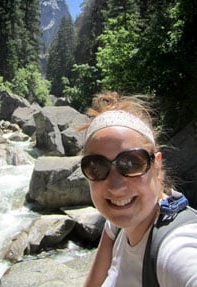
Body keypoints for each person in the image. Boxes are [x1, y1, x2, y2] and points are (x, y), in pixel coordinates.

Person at [80, 91, 197, 287]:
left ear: (157, 166)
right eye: (97, 166)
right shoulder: (116, 224)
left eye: (132, 163)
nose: (116, 187)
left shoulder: (177, 249)